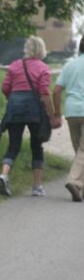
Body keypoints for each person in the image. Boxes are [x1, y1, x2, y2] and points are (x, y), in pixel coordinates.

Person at [0, 36, 60, 197]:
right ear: (42, 50)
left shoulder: (15, 66)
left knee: (13, 145)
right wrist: (52, 116)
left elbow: (5, 88)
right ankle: (37, 186)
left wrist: (14, 99)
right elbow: (45, 93)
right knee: (36, 147)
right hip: (34, 111)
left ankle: (4, 174)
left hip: (15, 108)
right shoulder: (43, 68)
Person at [53, 36, 84, 202]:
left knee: (79, 149)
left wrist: (57, 113)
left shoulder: (69, 65)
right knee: (83, 150)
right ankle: (73, 181)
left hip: (72, 111)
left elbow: (56, 91)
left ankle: (79, 186)